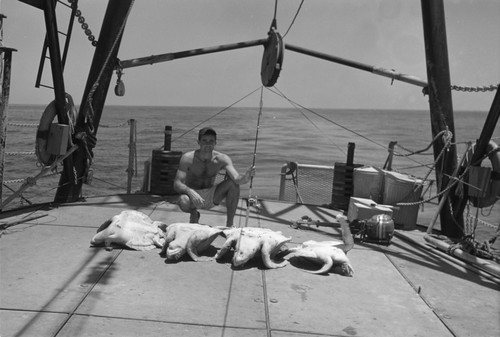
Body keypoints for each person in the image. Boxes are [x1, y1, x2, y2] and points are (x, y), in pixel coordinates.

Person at [174, 127, 255, 227]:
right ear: (198, 142)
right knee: (182, 201)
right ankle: (194, 213)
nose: (208, 144)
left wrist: (245, 178)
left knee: (233, 184)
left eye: (211, 141)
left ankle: (230, 224)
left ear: (215, 143)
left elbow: (236, 179)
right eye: (204, 140)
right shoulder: (187, 158)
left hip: (212, 195)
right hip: (192, 196)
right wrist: (190, 192)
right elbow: (177, 183)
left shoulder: (222, 158)